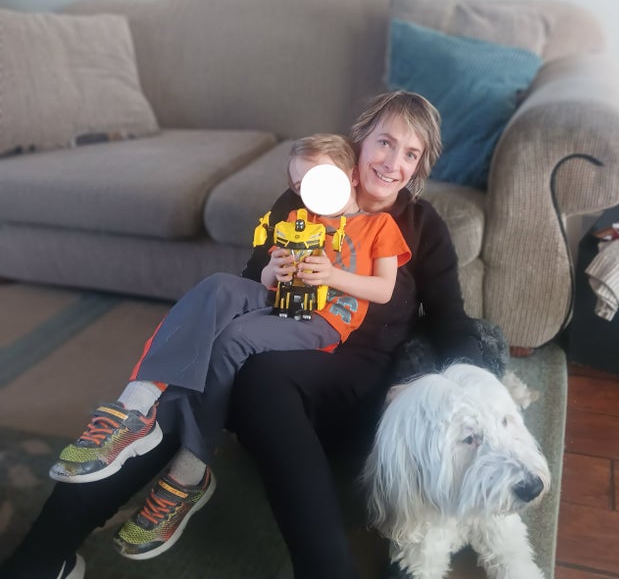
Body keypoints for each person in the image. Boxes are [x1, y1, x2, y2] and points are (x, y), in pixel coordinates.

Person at [0, 92, 486, 579]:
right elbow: (251, 284)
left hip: (351, 383)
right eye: (384, 142)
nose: (393, 163)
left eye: (411, 153)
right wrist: (274, 272)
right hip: (268, 346)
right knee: (186, 377)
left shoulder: (420, 224)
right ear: (358, 141)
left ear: (419, 165)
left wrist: (481, 389)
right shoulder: (305, 197)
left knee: (256, 374)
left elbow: (451, 319)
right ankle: (44, 554)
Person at [49, 133, 410, 560]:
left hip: (323, 320)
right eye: (300, 186)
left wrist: (331, 275)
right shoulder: (300, 220)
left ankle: (190, 470)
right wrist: (274, 271)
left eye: (318, 180)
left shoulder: (378, 226)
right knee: (219, 287)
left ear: (349, 177)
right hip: (278, 300)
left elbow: (383, 289)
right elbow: (265, 280)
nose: (307, 193)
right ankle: (135, 405)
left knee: (232, 340)